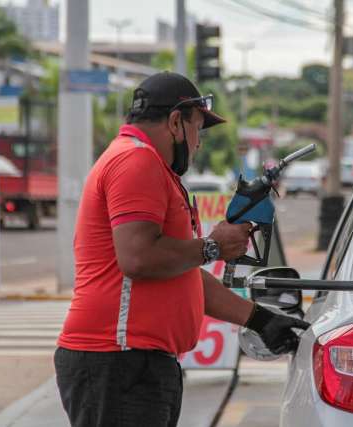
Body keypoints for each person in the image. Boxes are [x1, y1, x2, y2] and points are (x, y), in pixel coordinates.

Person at [54, 71, 310, 427]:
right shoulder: (135, 161)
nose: (198, 143)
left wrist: (260, 319)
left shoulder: (150, 167)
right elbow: (139, 258)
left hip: (134, 362)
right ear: (176, 122)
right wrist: (212, 247)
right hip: (119, 360)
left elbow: (183, 276)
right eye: (197, 129)